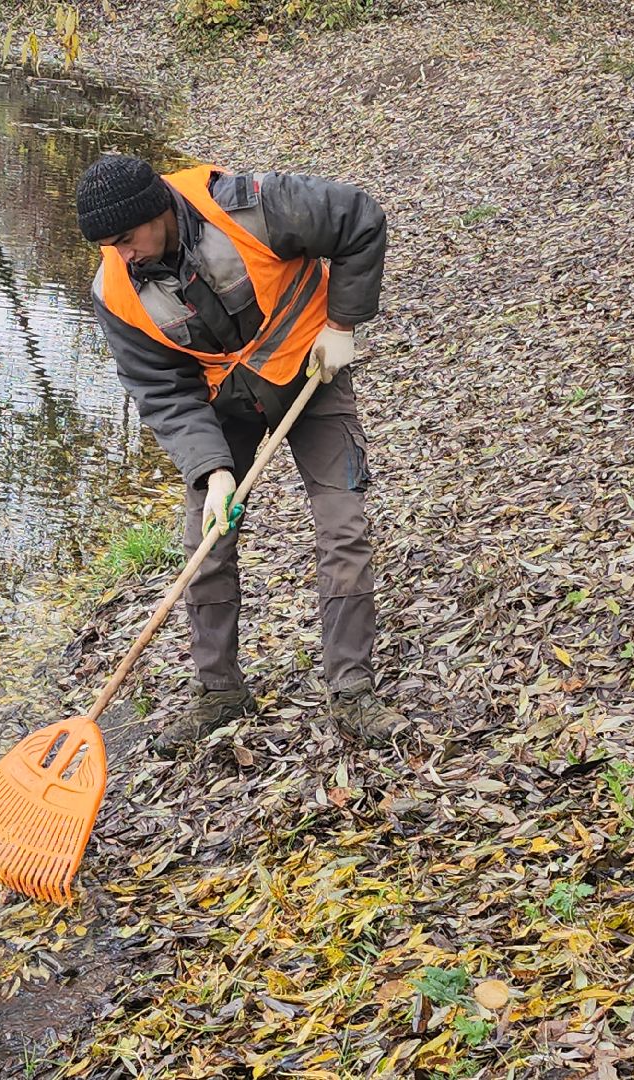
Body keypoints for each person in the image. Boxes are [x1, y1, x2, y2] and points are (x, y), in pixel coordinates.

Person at [73, 154, 403, 755]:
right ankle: (220, 691)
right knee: (207, 537)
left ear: (158, 212)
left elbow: (359, 218)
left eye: (126, 239)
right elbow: (163, 390)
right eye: (106, 245)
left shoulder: (248, 205)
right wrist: (213, 469)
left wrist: (344, 324)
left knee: (343, 527)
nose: (120, 255)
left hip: (313, 371)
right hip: (222, 404)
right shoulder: (114, 291)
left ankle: (351, 691)